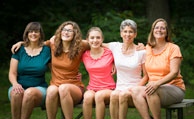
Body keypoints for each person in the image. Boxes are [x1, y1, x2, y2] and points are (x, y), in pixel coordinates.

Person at [11, 21, 90, 119]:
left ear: (75, 34)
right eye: (64, 30)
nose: (66, 32)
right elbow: (35, 43)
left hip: (74, 87)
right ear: (60, 32)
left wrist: (113, 49)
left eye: (70, 31)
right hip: (56, 85)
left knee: (63, 88)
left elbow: (97, 44)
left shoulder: (81, 45)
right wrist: (22, 42)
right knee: (51, 90)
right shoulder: (53, 44)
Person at [131, 18, 185, 119]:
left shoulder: (173, 48)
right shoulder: (148, 48)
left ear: (167, 32)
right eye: (157, 27)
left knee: (151, 90)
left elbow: (174, 73)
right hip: (154, 87)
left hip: (174, 88)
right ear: (153, 31)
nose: (159, 30)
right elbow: (128, 49)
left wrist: (157, 83)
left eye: (162, 28)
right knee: (135, 91)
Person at [102, 19, 148, 119]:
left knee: (123, 95)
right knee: (114, 95)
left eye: (131, 32)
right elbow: (95, 44)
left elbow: (146, 76)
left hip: (135, 89)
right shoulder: (115, 46)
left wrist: (135, 88)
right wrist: (112, 62)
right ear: (121, 33)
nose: (128, 34)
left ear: (135, 34)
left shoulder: (141, 52)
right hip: (119, 88)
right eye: (125, 31)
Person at [8, 22, 51, 119]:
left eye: (36, 31)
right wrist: (15, 84)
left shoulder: (47, 51)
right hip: (19, 85)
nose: (33, 34)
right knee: (16, 92)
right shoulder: (19, 50)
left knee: (29, 93)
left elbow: (55, 70)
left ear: (40, 34)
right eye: (30, 31)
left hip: (39, 88)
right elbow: (12, 73)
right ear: (27, 34)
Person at [82, 27, 116, 119]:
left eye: (98, 38)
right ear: (87, 40)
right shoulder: (84, 54)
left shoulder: (110, 53)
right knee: (87, 97)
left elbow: (123, 54)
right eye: (92, 38)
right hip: (92, 88)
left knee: (98, 96)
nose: (95, 40)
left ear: (102, 40)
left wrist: (114, 64)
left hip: (109, 88)